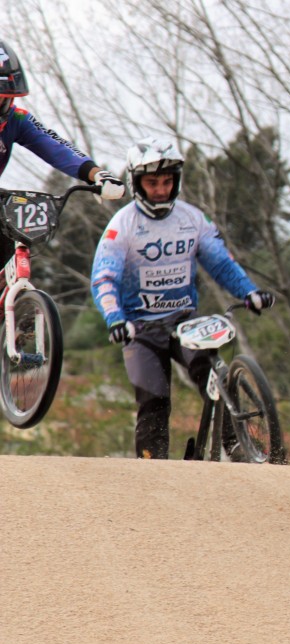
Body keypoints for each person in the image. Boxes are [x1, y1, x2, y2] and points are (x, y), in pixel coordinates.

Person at [90, 137, 275, 460]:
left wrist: (249, 292)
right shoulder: (122, 226)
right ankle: (154, 472)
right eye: (152, 183)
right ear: (137, 184)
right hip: (140, 330)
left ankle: (236, 445)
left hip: (183, 321)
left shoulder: (192, 219)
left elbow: (220, 262)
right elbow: (104, 278)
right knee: (154, 399)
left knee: (213, 375)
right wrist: (114, 318)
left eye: (167, 181)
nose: (161, 190)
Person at [0, 40, 124, 265]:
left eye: (5, 97)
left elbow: (54, 145)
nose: (2, 102)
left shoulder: (17, 119)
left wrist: (95, 174)